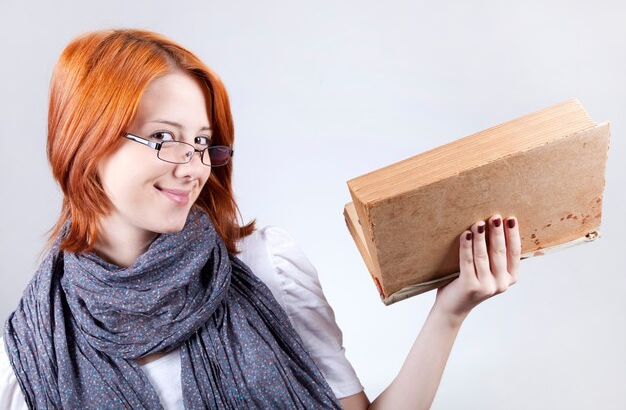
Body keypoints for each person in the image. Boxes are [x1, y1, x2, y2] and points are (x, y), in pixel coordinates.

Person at [0, 29, 520, 409]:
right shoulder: (32, 351)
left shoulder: (266, 267)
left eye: (203, 142)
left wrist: (449, 312)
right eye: (163, 138)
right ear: (84, 142)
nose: (193, 166)